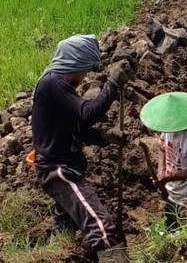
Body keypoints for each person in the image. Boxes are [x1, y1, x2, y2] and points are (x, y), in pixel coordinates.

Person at [31, 35, 132, 262]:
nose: (85, 75)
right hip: (59, 171)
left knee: (65, 229)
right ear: (75, 63)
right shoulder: (53, 83)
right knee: (102, 228)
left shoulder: (59, 86)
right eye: (85, 69)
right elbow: (87, 113)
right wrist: (113, 85)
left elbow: (75, 127)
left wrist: (104, 137)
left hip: (64, 167)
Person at [139, 92, 187, 229]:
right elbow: (162, 148)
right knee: (170, 224)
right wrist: (161, 171)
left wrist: (169, 178)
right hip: (171, 190)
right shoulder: (169, 127)